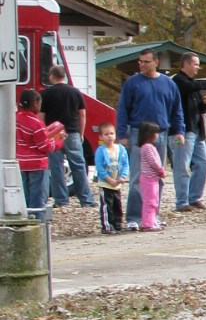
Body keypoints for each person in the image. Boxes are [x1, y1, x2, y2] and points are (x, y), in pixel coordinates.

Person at [116, 49, 186, 232]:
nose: (143, 65)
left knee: (157, 175)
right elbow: (123, 109)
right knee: (138, 177)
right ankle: (134, 216)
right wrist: (122, 135)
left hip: (161, 132)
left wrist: (179, 131)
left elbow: (177, 109)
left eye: (146, 61)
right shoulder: (132, 83)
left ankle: (152, 214)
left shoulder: (168, 84)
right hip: (138, 132)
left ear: (156, 62)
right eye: (140, 62)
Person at [40, 64, 95, 208]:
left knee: (56, 167)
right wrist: (81, 133)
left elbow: (41, 116)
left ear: (52, 76)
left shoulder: (46, 94)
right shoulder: (75, 92)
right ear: (63, 76)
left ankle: (61, 200)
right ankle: (86, 199)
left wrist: (44, 134)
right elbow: (82, 114)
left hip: (54, 135)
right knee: (78, 166)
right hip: (72, 133)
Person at [171, 52, 206, 212]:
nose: (198, 67)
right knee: (182, 166)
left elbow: (198, 108)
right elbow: (189, 87)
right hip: (182, 132)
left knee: (204, 163)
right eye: (196, 64)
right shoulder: (178, 81)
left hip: (197, 131)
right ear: (186, 64)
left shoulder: (193, 84)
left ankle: (194, 197)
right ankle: (181, 201)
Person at [16, 89, 65, 215]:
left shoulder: (16, 119)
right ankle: (38, 224)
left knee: (25, 196)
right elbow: (45, 146)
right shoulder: (36, 123)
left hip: (21, 163)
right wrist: (59, 142)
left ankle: (26, 220)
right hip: (37, 164)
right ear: (35, 104)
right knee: (38, 198)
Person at [93, 122, 130, 234]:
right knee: (106, 204)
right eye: (106, 134)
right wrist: (108, 179)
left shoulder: (120, 149)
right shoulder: (100, 151)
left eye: (112, 133)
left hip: (117, 183)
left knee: (117, 204)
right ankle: (107, 225)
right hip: (105, 183)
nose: (109, 136)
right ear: (101, 137)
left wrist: (122, 176)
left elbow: (125, 164)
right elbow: (99, 167)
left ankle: (117, 223)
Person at [137, 121, 166, 231]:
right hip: (148, 178)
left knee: (154, 201)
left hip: (153, 178)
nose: (157, 135)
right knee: (149, 202)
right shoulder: (147, 147)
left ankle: (152, 221)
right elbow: (153, 162)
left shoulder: (149, 147)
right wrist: (161, 170)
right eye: (155, 133)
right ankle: (147, 223)